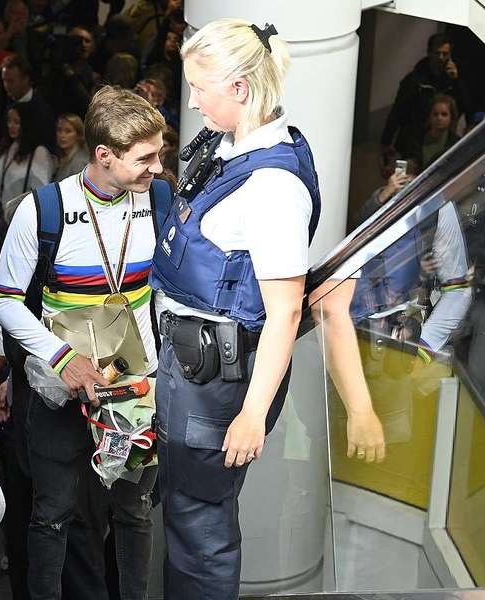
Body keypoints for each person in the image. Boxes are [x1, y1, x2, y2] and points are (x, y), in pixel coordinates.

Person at [148, 20, 322, 599]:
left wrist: (252, 414)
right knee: (182, 510)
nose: (192, 101)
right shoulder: (231, 147)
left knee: (200, 526)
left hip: (216, 383)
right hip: (189, 364)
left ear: (242, 88)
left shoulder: (273, 187)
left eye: (202, 88)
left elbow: (285, 313)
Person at [0, 86, 167, 600]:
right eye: (146, 157)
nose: (157, 167)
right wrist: (61, 358)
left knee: (134, 512)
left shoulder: (156, 199)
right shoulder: (42, 209)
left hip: (134, 387)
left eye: (160, 154)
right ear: (104, 156)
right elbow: (3, 300)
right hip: (59, 388)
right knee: (52, 516)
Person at [380, 33, 471, 163]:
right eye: (437, 53)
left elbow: (465, 105)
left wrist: (456, 81)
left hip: (441, 142)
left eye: (445, 54)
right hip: (412, 142)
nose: (440, 58)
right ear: (429, 53)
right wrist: (386, 141)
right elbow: (397, 112)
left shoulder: (452, 81)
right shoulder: (414, 81)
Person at [0, 102, 54, 219]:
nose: (11, 126)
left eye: (16, 122)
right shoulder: (11, 146)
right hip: (4, 215)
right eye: (9, 121)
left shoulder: (39, 153)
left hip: (24, 217)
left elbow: (43, 192)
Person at [408, 93, 461, 170]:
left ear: (451, 117)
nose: (439, 118)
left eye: (444, 114)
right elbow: (404, 163)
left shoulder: (456, 143)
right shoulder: (416, 139)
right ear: (430, 116)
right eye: (435, 114)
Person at [53, 113, 89, 181]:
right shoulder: (62, 159)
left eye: (68, 131)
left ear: (78, 135)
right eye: (59, 130)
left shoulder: (79, 162)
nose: (62, 135)